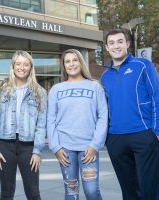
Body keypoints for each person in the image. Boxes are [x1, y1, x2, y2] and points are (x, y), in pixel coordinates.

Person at [101, 29, 159, 200]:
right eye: (112, 43)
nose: (116, 45)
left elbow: (157, 98)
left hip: (143, 134)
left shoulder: (143, 65)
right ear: (107, 47)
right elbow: (105, 108)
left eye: (120, 41)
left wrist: (155, 131)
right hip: (116, 139)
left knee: (149, 189)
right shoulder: (105, 76)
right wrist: (108, 138)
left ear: (127, 44)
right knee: (128, 191)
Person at [47, 49, 108, 200]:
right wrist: (55, 147)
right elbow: (50, 119)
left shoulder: (95, 86)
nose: (71, 64)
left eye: (75, 60)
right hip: (65, 149)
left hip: (88, 148)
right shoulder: (56, 89)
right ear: (64, 65)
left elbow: (103, 116)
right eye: (67, 61)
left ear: (81, 62)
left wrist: (95, 145)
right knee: (71, 192)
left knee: (92, 191)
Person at [0, 50, 47, 200]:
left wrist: (37, 151)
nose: (22, 67)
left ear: (31, 67)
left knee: (33, 192)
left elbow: (41, 125)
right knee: (6, 192)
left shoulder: (39, 92)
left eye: (26, 64)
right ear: (13, 66)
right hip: (5, 146)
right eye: (18, 64)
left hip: (28, 147)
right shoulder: (0, 91)